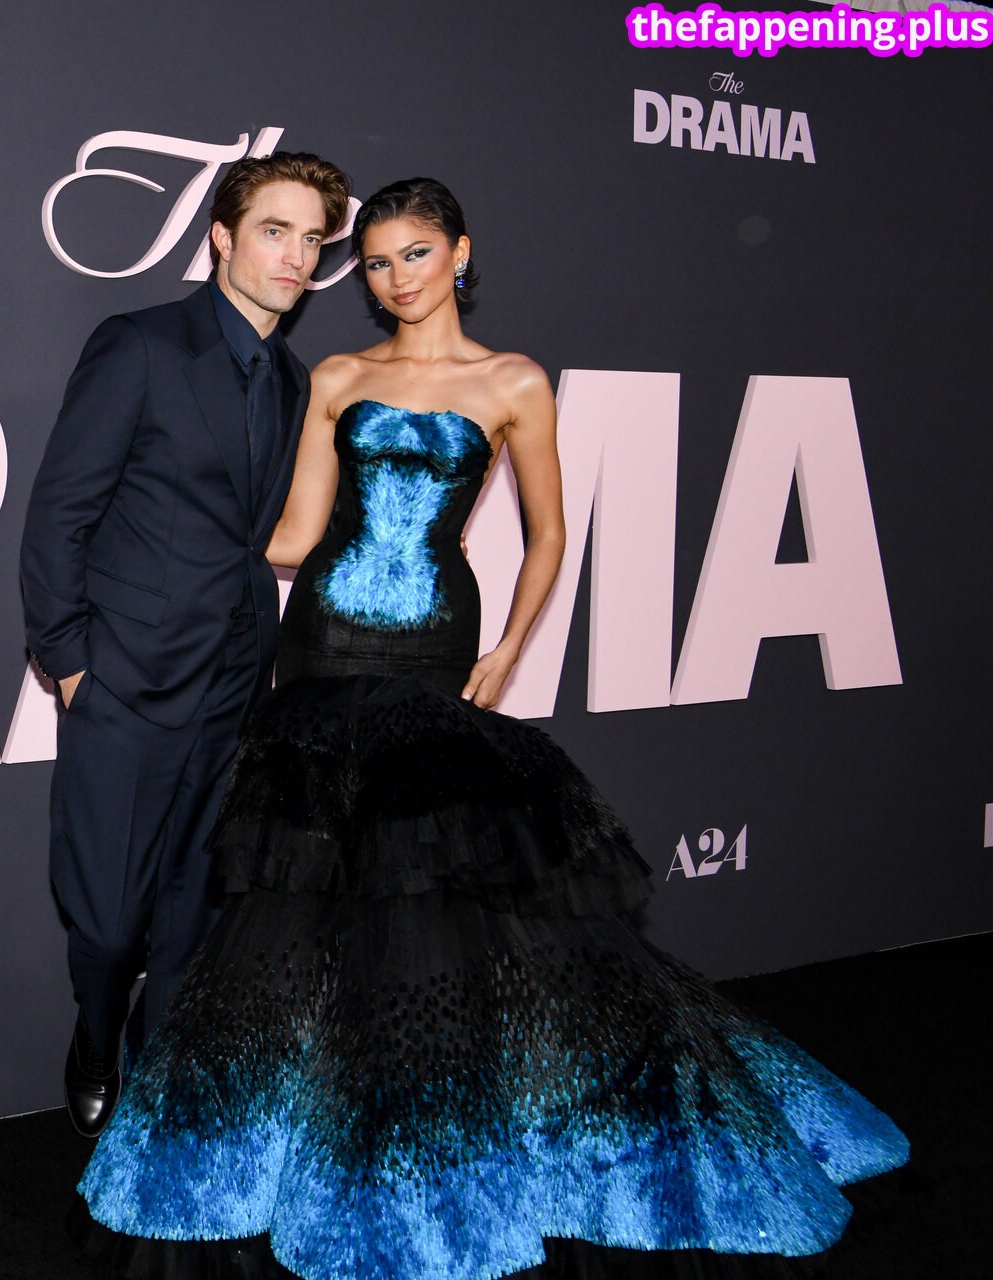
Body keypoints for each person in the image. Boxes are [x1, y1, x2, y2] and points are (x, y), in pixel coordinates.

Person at [72, 178, 908, 1279]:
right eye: (375, 261)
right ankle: (300, 1139)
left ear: (459, 254)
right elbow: (293, 537)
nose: (395, 277)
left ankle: (437, 1132)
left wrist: (511, 644)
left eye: (415, 254)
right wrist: (160, 516)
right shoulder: (337, 375)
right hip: (321, 646)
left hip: (436, 646)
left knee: (432, 893)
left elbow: (551, 532)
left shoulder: (514, 381)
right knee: (302, 901)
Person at [21, 152, 354, 1138]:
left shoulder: (292, 380)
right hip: (127, 682)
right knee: (108, 920)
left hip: (237, 684)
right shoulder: (141, 346)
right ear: (221, 237)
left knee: (195, 912)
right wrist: (71, 664)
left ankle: (157, 1072)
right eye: (274, 231)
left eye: (312, 240)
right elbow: (59, 515)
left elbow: (267, 534)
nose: (295, 257)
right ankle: (96, 1035)